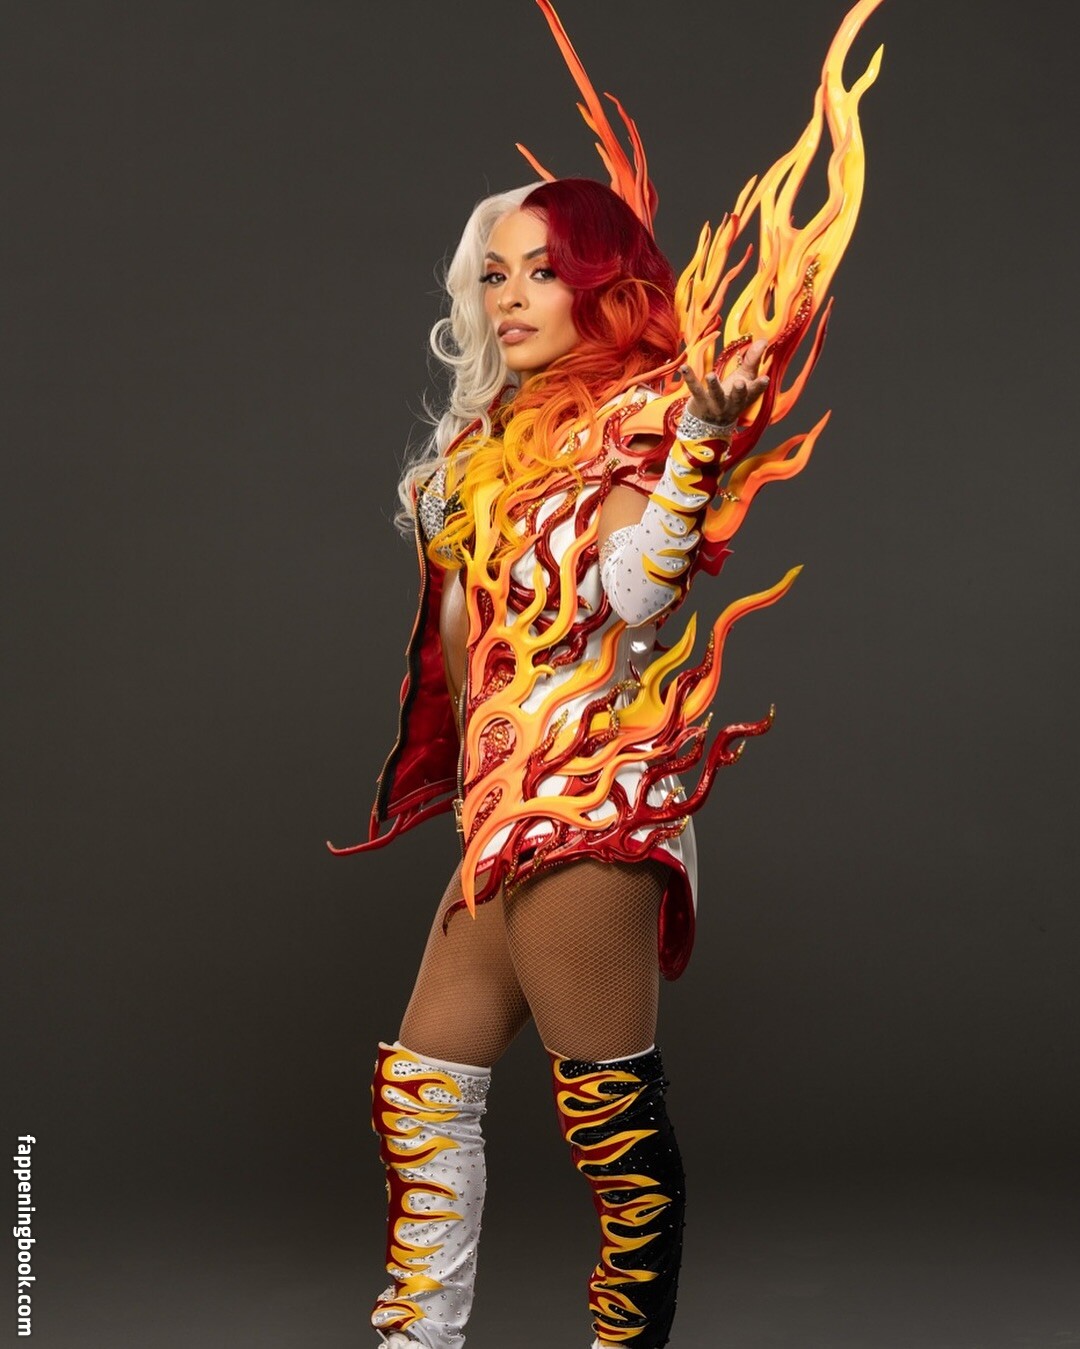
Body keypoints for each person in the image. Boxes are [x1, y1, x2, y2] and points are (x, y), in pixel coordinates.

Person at [327, 3, 882, 1346]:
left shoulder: (639, 418)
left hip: (589, 802)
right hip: (506, 807)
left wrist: (694, 449)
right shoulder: (482, 451)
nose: (509, 298)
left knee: (613, 1135)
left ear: (599, 286)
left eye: (539, 271)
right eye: (493, 278)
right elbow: (462, 654)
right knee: (421, 1092)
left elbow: (636, 593)